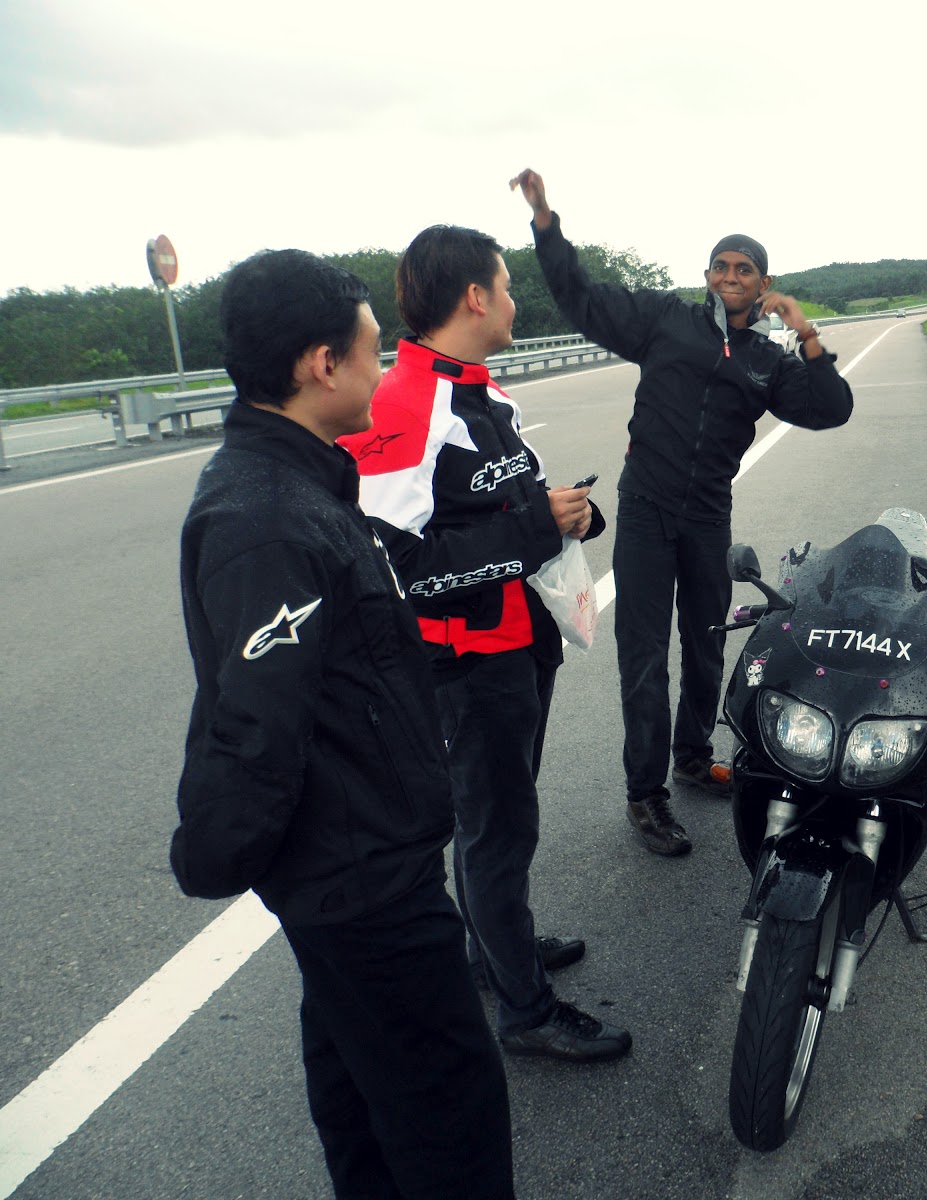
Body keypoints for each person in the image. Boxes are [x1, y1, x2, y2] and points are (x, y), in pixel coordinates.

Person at [170, 249, 516, 1197]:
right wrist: (213, 854)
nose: (383, 367)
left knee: (362, 1097)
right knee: (449, 1115)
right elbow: (254, 727)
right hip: (361, 884)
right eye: (372, 351)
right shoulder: (267, 518)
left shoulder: (302, 483)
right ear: (322, 365)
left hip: (357, 863)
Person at [339, 224, 631, 1061]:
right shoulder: (405, 402)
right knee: (496, 830)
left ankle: (493, 951)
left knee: (503, 820)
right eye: (504, 287)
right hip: (469, 658)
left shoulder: (479, 391)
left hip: (520, 638)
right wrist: (535, 524)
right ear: (474, 297)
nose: (511, 302)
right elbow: (397, 566)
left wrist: (566, 513)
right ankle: (525, 1011)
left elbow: (502, 505)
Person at [511, 167, 855, 857]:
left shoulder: (768, 360)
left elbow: (831, 408)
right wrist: (546, 222)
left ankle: (693, 757)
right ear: (706, 275)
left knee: (706, 644)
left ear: (764, 282)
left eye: (744, 269)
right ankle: (645, 793)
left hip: (707, 517)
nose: (731, 276)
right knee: (643, 657)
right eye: (721, 266)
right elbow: (581, 297)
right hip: (645, 510)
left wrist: (808, 335)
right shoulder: (664, 321)